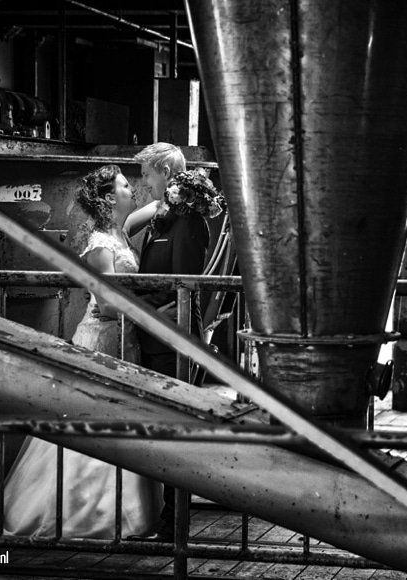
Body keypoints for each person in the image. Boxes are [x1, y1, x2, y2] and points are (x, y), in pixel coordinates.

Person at [0, 165, 158, 539]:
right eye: (126, 185)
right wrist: (157, 314)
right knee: (94, 420)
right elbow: (108, 305)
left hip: (126, 339)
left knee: (119, 420)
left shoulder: (120, 233)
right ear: (110, 198)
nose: (133, 190)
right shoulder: (99, 246)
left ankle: (117, 508)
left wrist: (179, 189)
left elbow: (156, 205)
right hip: (104, 337)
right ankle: (85, 511)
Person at [123, 143, 222, 540]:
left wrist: (140, 309)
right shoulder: (164, 216)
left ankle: (174, 519)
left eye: (146, 173)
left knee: (175, 428)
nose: (143, 181)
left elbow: (184, 288)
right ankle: (165, 512)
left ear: (164, 171)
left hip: (175, 340)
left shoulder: (191, 221)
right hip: (152, 338)